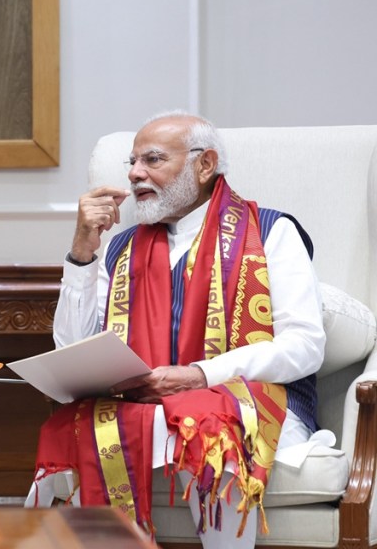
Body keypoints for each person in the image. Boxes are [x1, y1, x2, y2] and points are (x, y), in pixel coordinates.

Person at [27, 111, 324, 548]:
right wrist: (82, 253)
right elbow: (73, 347)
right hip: (145, 403)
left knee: (207, 423)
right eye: (131, 162)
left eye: (151, 160)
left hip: (252, 401)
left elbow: (305, 346)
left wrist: (199, 375)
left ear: (204, 165)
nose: (133, 174)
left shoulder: (270, 231)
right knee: (74, 426)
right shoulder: (120, 247)